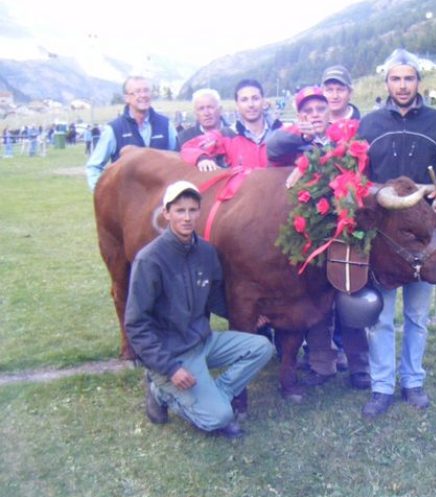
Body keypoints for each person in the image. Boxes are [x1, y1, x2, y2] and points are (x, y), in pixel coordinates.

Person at [357, 48, 436, 418]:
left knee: (418, 314)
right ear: (386, 82)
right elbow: (354, 175)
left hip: (424, 236)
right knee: (382, 316)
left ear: (418, 82)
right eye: (395, 78)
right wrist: (373, 193)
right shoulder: (370, 123)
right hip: (386, 240)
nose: (402, 85)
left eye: (408, 78)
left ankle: (413, 381)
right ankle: (382, 386)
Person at [125, 181, 274, 439]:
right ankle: (160, 389)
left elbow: (215, 298)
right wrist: (170, 368)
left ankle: (216, 394)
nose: (187, 217)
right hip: (172, 352)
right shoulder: (150, 260)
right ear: (166, 213)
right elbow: (136, 324)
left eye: (193, 210)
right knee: (220, 417)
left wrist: (249, 316)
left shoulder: (206, 251)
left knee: (262, 347)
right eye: (179, 210)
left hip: (203, 341)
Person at [266, 86, 344, 386]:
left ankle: (328, 360)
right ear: (299, 116)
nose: (315, 116)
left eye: (320, 110)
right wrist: (302, 134)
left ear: (330, 112)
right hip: (300, 234)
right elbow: (273, 147)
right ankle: (294, 356)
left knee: (333, 296)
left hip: (337, 231)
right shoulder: (293, 139)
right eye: (307, 111)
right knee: (303, 294)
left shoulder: (341, 140)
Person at [320, 66, 371, 389]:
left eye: (340, 88)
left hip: (354, 219)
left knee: (352, 288)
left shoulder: (366, 125)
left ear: (349, 92)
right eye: (329, 89)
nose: (335, 94)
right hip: (319, 220)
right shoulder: (314, 124)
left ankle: (359, 364)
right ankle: (326, 355)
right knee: (321, 291)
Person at [85, 75, 177, 191]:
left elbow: (178, 159)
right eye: (137, 92)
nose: (143, 95)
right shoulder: (114, 129)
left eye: (146, 91)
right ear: (127, 98)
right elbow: (94, 167)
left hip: (162, 201)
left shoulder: (166, 125)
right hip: (128, 202)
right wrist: (103, 194)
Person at [177, 88, 235, 171]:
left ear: (220, 109)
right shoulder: (183, 138)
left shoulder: (233, 134)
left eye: (210, 107)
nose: (206, 113)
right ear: (195, 113)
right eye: (201, 109)